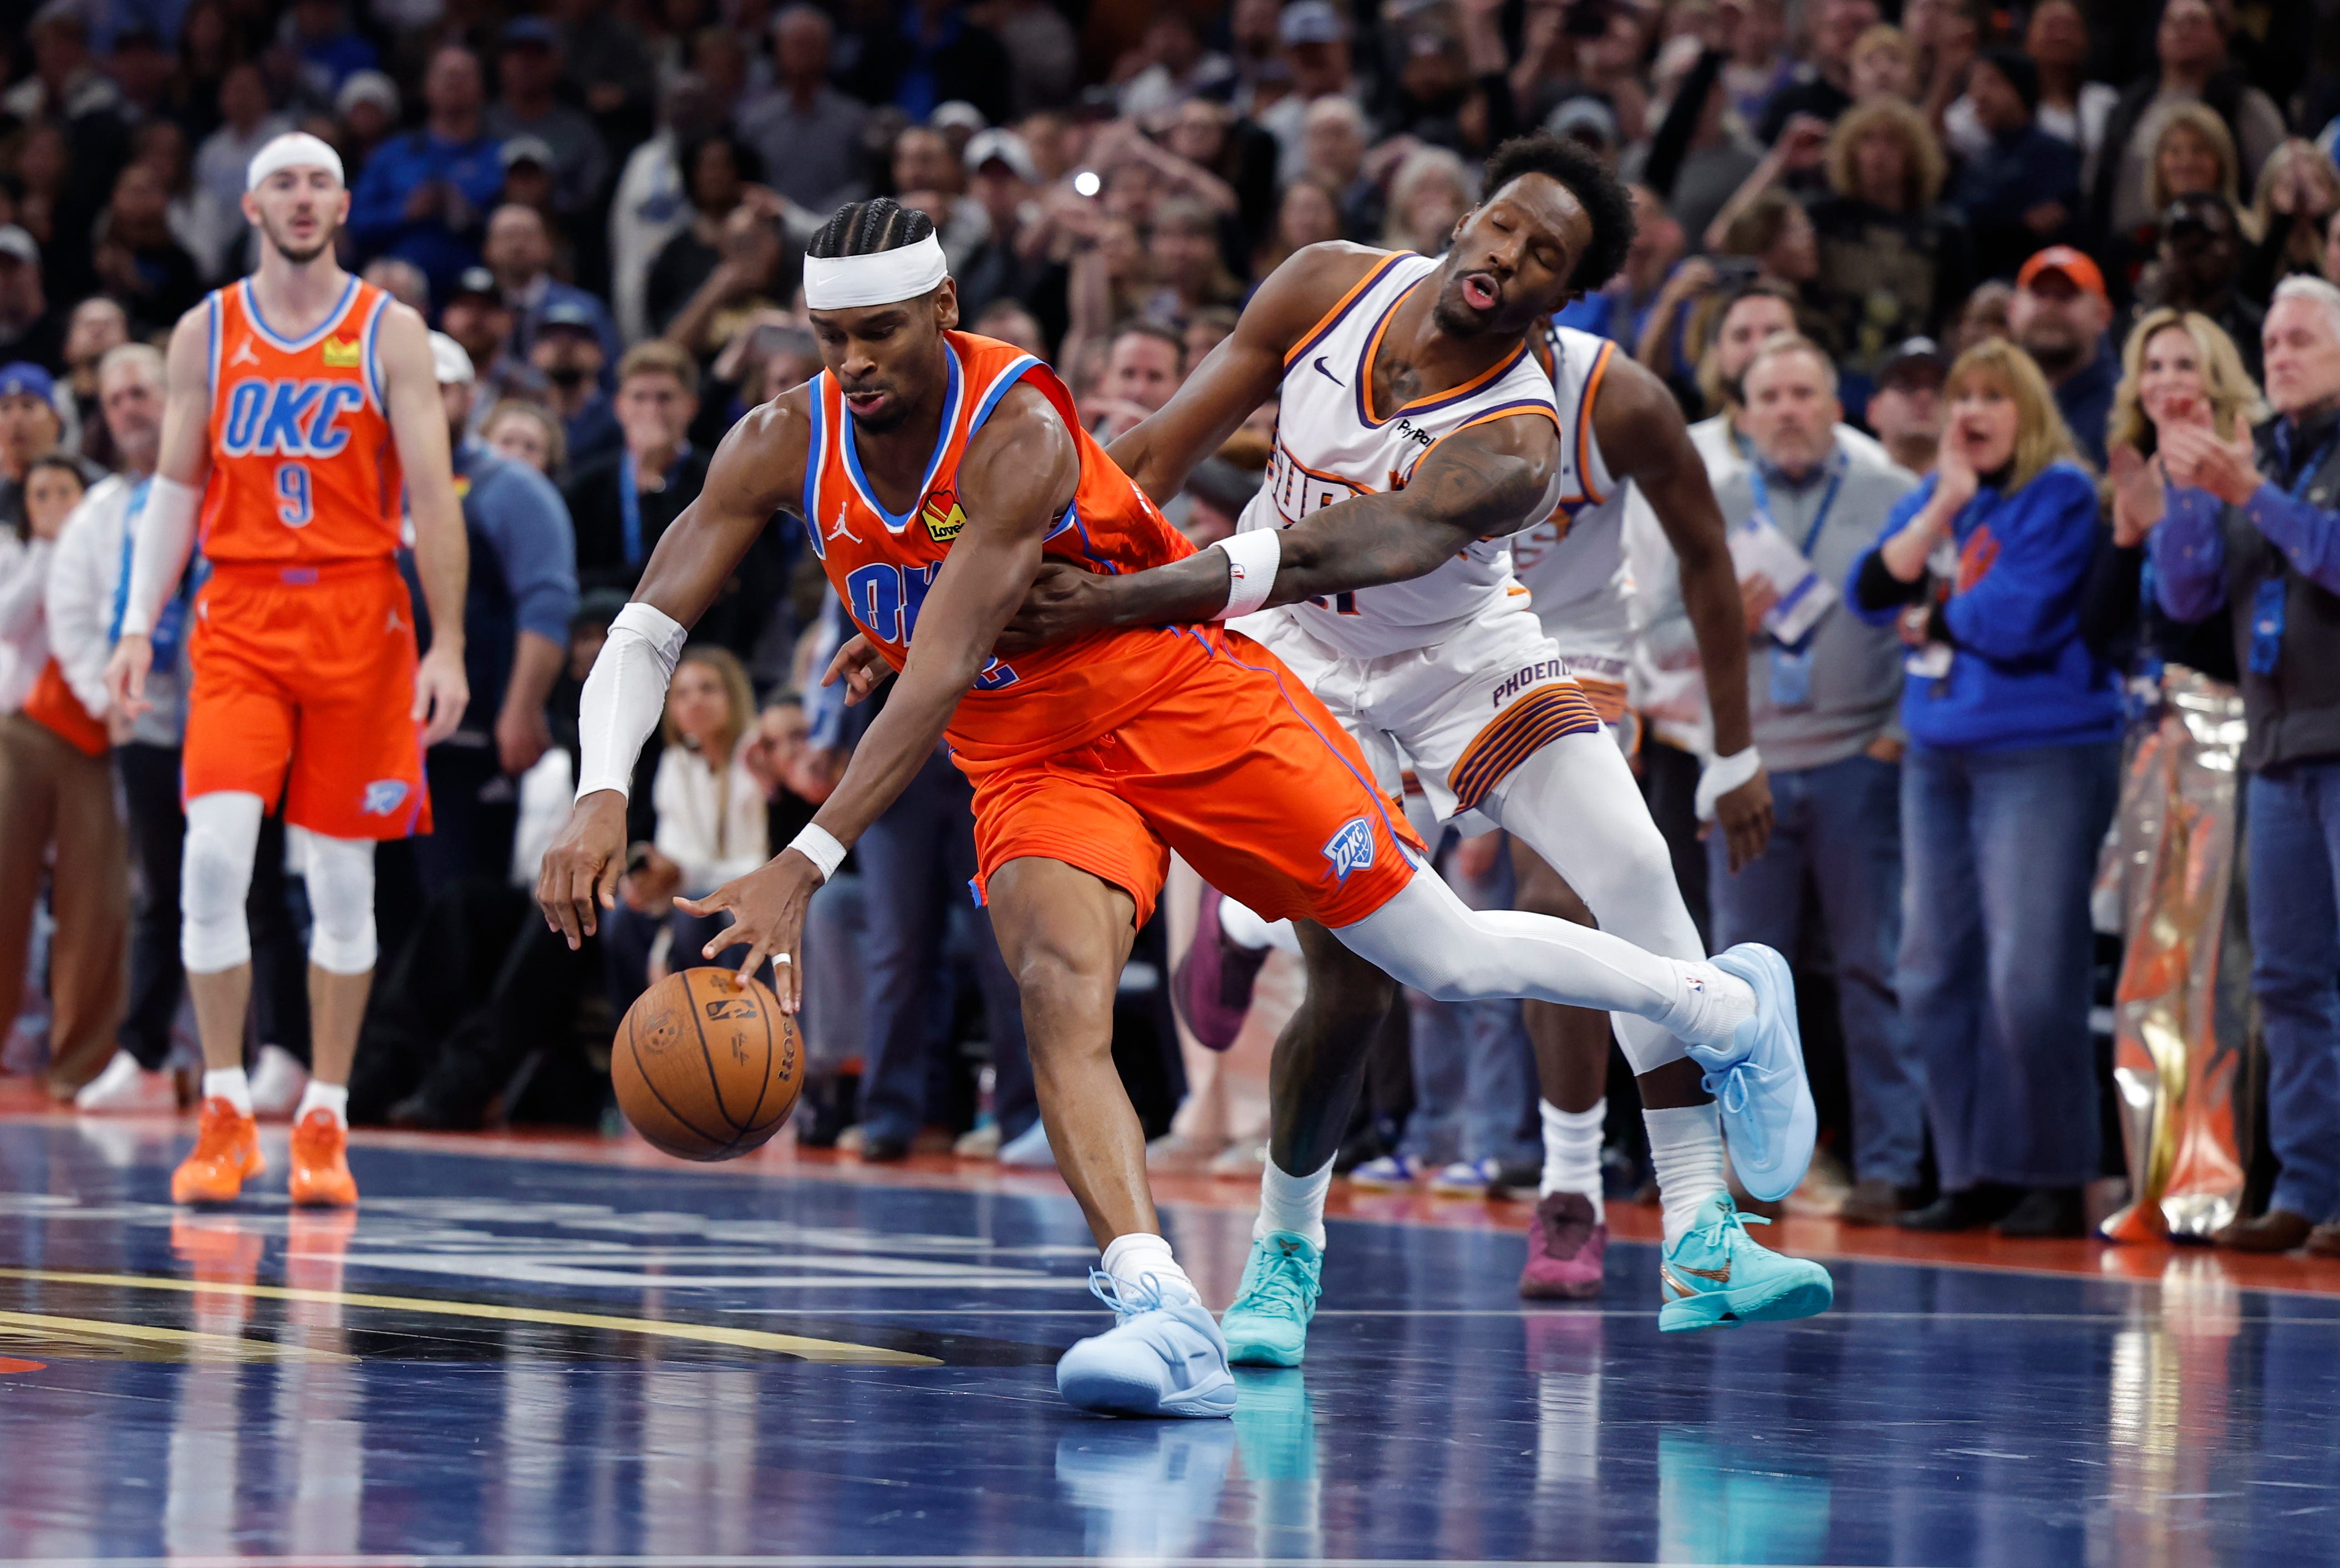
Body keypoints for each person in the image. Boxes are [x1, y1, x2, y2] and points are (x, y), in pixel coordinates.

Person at [538, 195, 1813, 1419]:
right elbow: (650, 624)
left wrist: (804, 856)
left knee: (1442, 957)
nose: (854, 362)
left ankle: (1715, 1004)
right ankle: (1156, 1306)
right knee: (1054, 986)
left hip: (1184, 696)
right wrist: (602, 792)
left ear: (942, 306)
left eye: (878, 332)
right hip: (1028, 755)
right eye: (830, 338)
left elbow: (938, 658)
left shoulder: (1017, 424)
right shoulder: (778, 439)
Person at [998, 136, 1828, 1353]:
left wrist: (1131, 599)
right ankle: (1286, 1252)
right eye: (1502, 224)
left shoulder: (1526, 437)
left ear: (1563, 299)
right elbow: (1165, 446)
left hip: (1460, 655)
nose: (1508, 254)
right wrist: (1019, 566)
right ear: (1465, 219)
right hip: (1298, 662)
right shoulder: (1324, 281)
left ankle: (1703, 1234)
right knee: (1353, 976)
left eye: (1543, 255)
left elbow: (1361, 544)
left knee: (1636, 869)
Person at [105, 131, 470, 1209]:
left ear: (344, 203)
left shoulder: (391, 331)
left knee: (341, 881)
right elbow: (174, 486)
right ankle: (224, 1105)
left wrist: (446, 642)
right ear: (253, 204)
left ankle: (325, 1115)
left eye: (319, 180)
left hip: (362, 613)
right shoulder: (206, 331)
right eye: (283, 181)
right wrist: (137, 622)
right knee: (213, 859)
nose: (302, 197)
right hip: (240, 613)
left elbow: (434, 499)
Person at [1847, 338, 2119, 1239]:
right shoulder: (1945, 490)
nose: (1972, 412)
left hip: (2039, 749)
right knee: (1930, 970)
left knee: (2029, 975)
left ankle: (2048, 1170)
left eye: (1994, 397)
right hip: (1938, 755)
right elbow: (1866, 591)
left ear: (2029, 409)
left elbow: (2016, 615)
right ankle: (1968, 1170)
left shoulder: (2063, 492)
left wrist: (1925, 607)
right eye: (1964, 396)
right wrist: (1946, 509)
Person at [1705, 335, 1926, 1225]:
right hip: (1750, 771)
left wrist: (1898, 738)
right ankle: (1752, 1172)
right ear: (1746, 415)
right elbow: (1661, 640)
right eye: (1772, 396)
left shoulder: (1890, 493)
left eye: (1805, 392)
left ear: (1836, 404)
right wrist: (1723, 619)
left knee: (1875, 970)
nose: (1789, 409)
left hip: (1856, 763)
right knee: (1738, 991)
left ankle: (1890, 1163)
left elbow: (1934, 620)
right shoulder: (1713, 500)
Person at [2149, 276, 2340, 1259]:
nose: (2281, 353)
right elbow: (2185, 598)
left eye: (2302, 336)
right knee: (2292, 981)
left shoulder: (2286, 468)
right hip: (2276, 746)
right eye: (2270, 341)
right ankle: (2309, 1188)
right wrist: (2187, 488)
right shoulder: (2257, 455)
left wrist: (2248, 494)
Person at [414, 332, 577, 893]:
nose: (420, 404)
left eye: (437, 391)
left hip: (473, 729)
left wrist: (521, 708)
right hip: (383, 732)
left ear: (466, 395)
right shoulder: (372, 479)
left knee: (455, 897)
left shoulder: (511, 488)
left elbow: (548, 605)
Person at [0, 453, 126, 1099]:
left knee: (94, 906)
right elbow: (8, 623)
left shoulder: (115, 543)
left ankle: (79, 1065)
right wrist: (51, 552)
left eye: (64, 491)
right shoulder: (14, 552)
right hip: (21, 729)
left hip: (99, 739)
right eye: (39, 493)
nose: (51, 503)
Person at [347, 46, 505, 303]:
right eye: (445, 74)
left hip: (478, 289)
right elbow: (356, 221)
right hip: (399, 286)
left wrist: (465, 214)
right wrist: (404, 212)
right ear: (426, 87)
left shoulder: (500, 157)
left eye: (463, 75)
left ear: (483, 88)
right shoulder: (392, 154)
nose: (454, 81)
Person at [736, 6, 867, 215]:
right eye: (796, 44)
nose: (803, 53)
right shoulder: (755, 121)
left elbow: (863, 183)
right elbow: (747, 182)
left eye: (812, 44)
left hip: (838, 232)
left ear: (828, 51)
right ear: (778, 51)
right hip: (771, 228)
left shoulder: (854, 119)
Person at [2010, 246, 2118, 469]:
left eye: (2066, 295)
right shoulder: (1994, 401)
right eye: (2040, 294)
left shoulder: (2127, 410)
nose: (2050, 307)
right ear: (2012, 310)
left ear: (2102, 314)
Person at [1867, 336, 1946, 474]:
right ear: (1873, 409)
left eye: (1939, 388)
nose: (1924, 396)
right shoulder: (1846, 488)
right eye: (1906, 385)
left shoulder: (1984, 493)